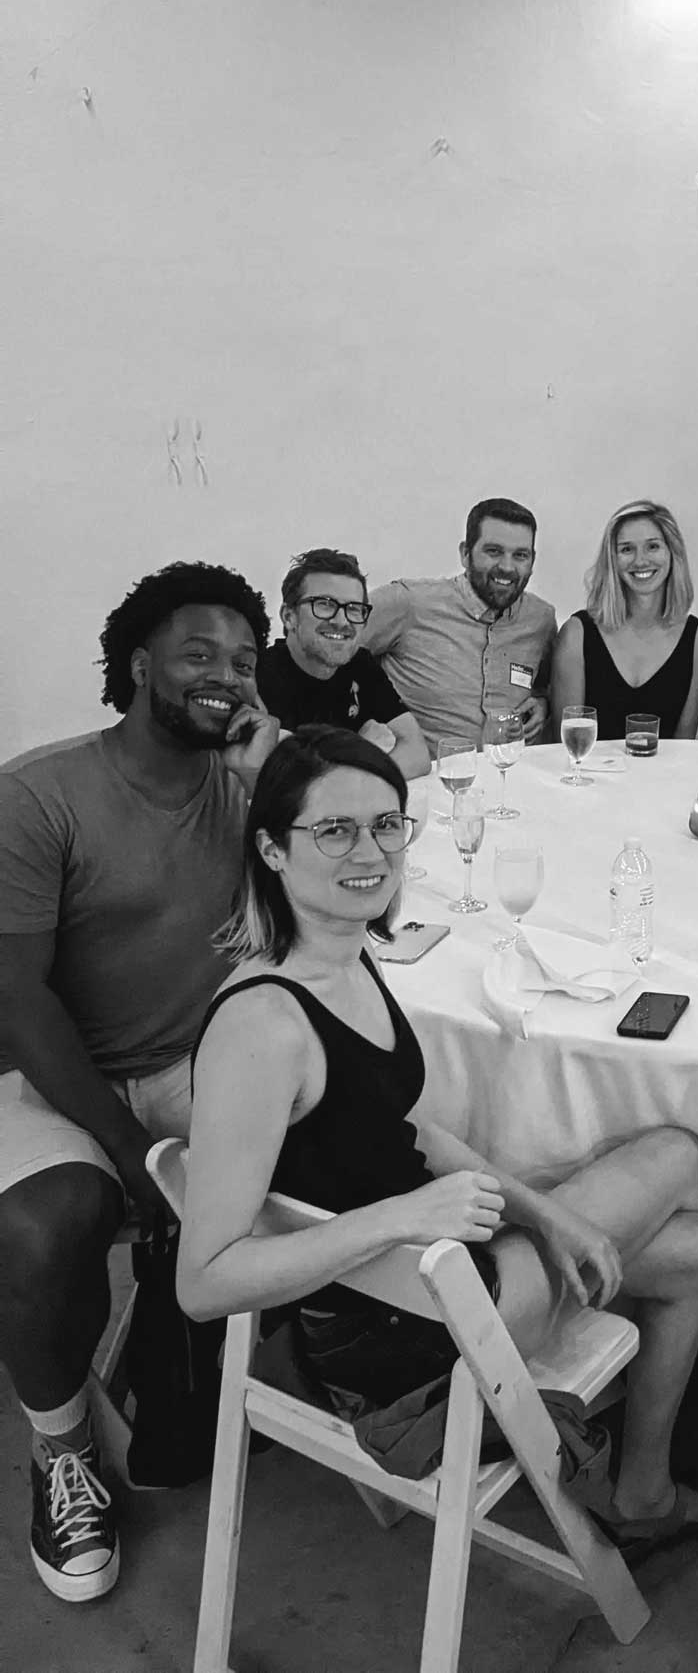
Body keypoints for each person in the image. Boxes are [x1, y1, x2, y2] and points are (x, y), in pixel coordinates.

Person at [178, 726, 698, 1553]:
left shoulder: (343, 954)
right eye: (333, 830)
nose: (368, 850)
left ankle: (643, 1492)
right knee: (677, 1155)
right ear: (271, 848)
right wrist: (404, 1218)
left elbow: (401, 1127)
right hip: (400, 1330)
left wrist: (548, 1215)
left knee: (694, 1248)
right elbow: (205, 1281)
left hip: (432, 1275)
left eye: (387, 824)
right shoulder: (263, 1025)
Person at [0, 563, 278, 1604]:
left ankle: (269, 1369)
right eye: (199, 653)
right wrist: (132, 1156)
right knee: (47, 1221)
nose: (226, 675)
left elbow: (360, 870)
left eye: (245, 660)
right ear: (138, 664)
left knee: (343, 1147)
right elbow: (18, 1000)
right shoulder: (39, 793)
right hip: (46, 1067)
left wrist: (277, 769)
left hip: (194, 1060)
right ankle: (63, 1448)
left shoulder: (243, 781)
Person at [364, 498, 557, 753]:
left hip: (510, 776)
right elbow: (334, 651)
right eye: (494, 551)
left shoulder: (540, 619)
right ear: (465, 553)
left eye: (520, 555)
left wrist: (543, 703)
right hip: (425, 781)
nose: (507, 567)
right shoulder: (408, 603)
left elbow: (543, 686)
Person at [258, 548, 429, 780]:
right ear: (289, 616)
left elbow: (418, 755)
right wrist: (363, 748)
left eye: (353, 609)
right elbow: (292, 782)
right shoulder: (262, 676)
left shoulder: (361, 664)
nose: (341, 621)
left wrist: (352, 773)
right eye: (325, 605)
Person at [550, 501, 698, 740]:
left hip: (664, 777)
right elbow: (566, 745)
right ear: (612, 560)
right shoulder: (576, 635)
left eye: (653, 547)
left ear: (672, 553)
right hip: (587, 776)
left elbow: (684, 746)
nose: (640, 561)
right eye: (627, 549)